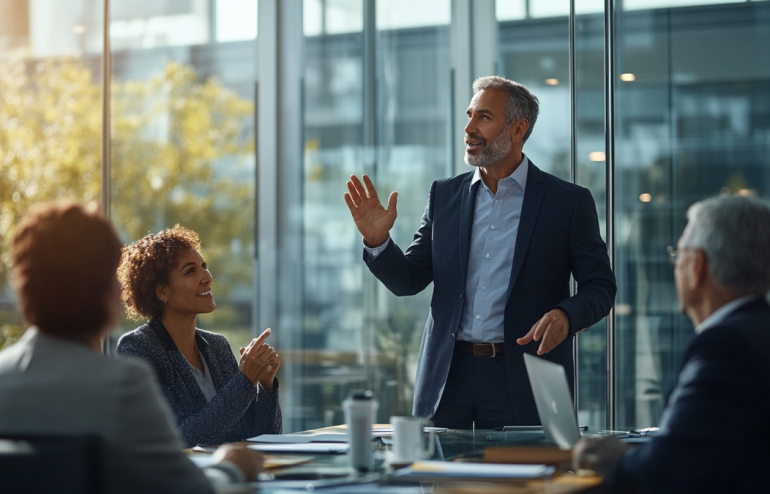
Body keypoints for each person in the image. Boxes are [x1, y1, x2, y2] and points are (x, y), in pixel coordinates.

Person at [344, 75, 616, 429]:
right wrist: (377, 241)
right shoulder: (444, 195)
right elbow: (409, 280)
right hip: (447, 376)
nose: (469, 127)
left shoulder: (568, 202)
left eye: (484, 117)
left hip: (524, 376)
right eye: (470, 115)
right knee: (439, 467)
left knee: (524, 467)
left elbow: (601, 286)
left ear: (518, 129)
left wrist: (566, 316)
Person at [0, 201, 263, 493]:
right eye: (113, 276)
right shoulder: (121, 384)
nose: (121, 288)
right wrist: (230, 467)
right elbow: (186, 488)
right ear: (100, 289)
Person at [573, 196, 770, 494]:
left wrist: (615, 458)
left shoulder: (726, 347)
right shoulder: (757, 330)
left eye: (678, 255)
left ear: (697, 267)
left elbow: (668, 470)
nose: (674, 267)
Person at [117, 226, 282, 448]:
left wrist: (266, 385)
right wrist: (244, 381)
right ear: (161, 291)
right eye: (190, 271)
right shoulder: (138, 347)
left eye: (204, 266)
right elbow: (179, 437)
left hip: (230, 469)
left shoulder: (218, 346)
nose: (207, 276)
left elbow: (262, 436)